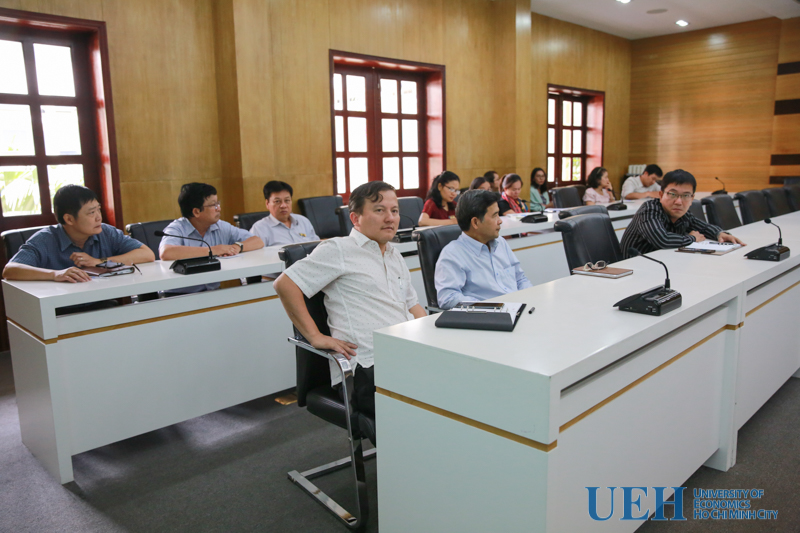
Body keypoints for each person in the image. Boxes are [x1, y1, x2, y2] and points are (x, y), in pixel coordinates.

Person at [273, 181, 427, 444]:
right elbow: (285, 284)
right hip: (368, 367)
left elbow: (413, 306)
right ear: (355, 218)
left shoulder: (394, 255)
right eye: (379, 210)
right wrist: (314, 336)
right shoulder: (339, 249)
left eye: (394, 210)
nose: (390, 218)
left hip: (406, 357)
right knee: (428, 411)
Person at [3, 185, 154, 283]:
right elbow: (10, 270)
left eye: (98, 210)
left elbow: (147, 254)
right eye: (91, 213)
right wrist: (55, 274)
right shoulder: (45, 239)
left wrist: (99, 261)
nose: (99, 217)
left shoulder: (106, 232)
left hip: (102, 302)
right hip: (59, 309)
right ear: (69, 219)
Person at [435, 189, 532, 310]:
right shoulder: (452, 254)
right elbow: (447, 298)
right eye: (494, 215)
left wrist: (529, 299)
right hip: (489, 315)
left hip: (518, 309)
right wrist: (489, 307)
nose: (500, 220)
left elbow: (520, 279)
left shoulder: (500, 243)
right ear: (475, 222)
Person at [159, 182, 264, 291]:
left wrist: (237, 247)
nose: (219, 208)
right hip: (178, 296)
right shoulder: (177, 228)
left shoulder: (220, 226)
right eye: (213, 205)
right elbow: (166, 252)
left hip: (213, 292)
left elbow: (257, 241)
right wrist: (213, 250)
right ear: (196, 212)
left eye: (218, 203)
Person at [620, 169, 745, 258]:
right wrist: (693, 238)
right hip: (633, 270)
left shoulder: (683, 214)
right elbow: (662, 239)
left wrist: (720, 234)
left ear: (692, 198)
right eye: (672, 194)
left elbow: (702, 227)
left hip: (662, 265)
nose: (679, 202)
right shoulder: (649, 210)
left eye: (686, 195)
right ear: (661, 195)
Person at [250, 181, 319, 246]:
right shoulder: (259, 229)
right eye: (277, 201)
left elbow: (317, 246)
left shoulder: (303, 221)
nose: (283, 205)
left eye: (287, 200)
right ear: (267, 203)